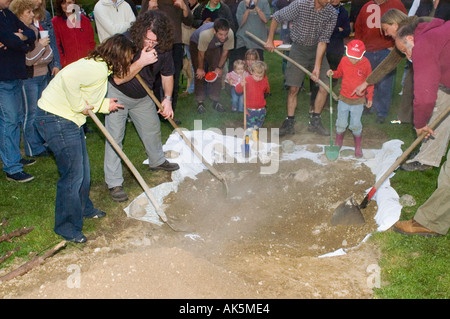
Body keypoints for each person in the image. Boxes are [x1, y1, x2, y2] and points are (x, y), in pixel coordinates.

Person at [35, 34, 136, 243]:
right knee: (72, 176)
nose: (130, 62)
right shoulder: (96, 68)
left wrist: (104, 105)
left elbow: (87, 95)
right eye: (129, 57)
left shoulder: (101, 68)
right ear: (119, 55)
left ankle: (83, 209)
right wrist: (79, 107)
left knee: (83, 173)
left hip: (68, 120)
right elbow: (68, 79)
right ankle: (67, 227)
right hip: (56, 118)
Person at [104, 10, 180, 203]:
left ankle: (157, 161)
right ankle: (114, 182)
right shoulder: (126, 42)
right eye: (148, 39)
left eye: (155, 42)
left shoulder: (163, 47)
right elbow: (119, 79)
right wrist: (141, 61)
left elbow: (167, 74)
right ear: (141, 31)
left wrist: (168, 98)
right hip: (118, 94)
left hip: (143, 94)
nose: (151, 44)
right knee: (114, 137)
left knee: (152, 129)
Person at [392, 18, 450, 237]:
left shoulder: (424, 44)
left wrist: (420, 124)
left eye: (405, 52)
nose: (408, 58)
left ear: (410, 38)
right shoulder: (440, 30)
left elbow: (424, 97)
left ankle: (431, 222)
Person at [264, 0, 338, 137]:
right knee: (293, 88)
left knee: (325, 86)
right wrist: (270, 40)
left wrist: (317, 67)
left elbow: (323, 41)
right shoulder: (300, 5)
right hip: (299, 49)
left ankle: (315, 120)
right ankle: (290, 122)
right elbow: (276, 17)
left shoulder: (331, 13)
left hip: (317, 49)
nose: (329, 1)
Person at [10, 0, 53, 160]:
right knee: (30, 113)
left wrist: (39, 53)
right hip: (29, 79)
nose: (32, 15)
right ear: (20, 13)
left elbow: (49, 55)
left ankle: (41, 143)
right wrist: (40, 47)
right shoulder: (20, 33)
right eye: (28, 12)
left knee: (41, 111)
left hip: (42, 75)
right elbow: (28, 60)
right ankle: (31, 148)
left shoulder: (34, 29)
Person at [354, 0, 407, 124]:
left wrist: (395, 45)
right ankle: (369, 106)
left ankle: (382, 112)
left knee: (384, 82)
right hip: (368, 50)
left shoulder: (396, 4)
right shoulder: (366, 7)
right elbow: (359, 28)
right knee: (368, 80)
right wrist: (360, 47)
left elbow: (405, 26)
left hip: (386, 49)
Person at [0, 0, 36, 182]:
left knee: (16, 118)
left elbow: (31, 35)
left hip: (14, 74)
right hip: (3, 77)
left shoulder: (7, 13)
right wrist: (18, 39)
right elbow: (10, 40)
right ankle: (12, 168)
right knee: (9, 120)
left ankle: (13, 156)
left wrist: (19, 38)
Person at [141, 0, 193, 120]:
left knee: (173, 79)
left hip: (175, 43)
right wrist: (149, 7)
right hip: (154, 43)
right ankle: (154, 112)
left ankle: (169, 112)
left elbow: (189, 21)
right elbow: (141, 20)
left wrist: (184, 7)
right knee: (154, 79)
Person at [326, 39, 374, 158]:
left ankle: (358, 146)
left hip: (358, 101)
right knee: (341, 123)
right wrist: (333, 73)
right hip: (344, 99)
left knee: (355, 124)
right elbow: (339, 73)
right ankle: (338, 143)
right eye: (351, 56)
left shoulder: (366, 63)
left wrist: (370, 97)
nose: (353, 60)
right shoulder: (344, 60)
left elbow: (370, 81)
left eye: (356, 58)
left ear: (362, 54)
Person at [309, 0, 350, 113]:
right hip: (319, 48)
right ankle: (313, 103)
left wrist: (334, 30)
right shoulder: (322, 9)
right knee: (316, 76)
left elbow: (346, 31)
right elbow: (319, 29)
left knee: (333, 76)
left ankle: (326, 101)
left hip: (335, 49)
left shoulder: (343, 12)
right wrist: (337, 29)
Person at [190, 18, 234, 114]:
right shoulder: (205, 34)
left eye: (225, 34)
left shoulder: (230, 34)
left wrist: (219, 68)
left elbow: (225, 52)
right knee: (200, 74)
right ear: (215, 31)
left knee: (217, 73)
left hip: (214, 46)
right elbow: (201, 54)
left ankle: (215, 100)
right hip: (196, 43)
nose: (223, 37)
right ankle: (200, 102)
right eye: (221, 34)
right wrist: (200, 68)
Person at [52, 0, 96, 68]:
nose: (67, 6)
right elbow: (56, 46)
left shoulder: (85, 21)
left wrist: (89, 59)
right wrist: (64, 63)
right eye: (63, 3)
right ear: (60, 5)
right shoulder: (55, 22)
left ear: (74, 2)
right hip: (68, 67)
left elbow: (91, 43)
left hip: (86, 64)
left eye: (69, 3)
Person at [235, 60, 270, 139]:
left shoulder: (264, 81)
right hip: (250, 109)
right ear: (252, 72)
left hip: (261, 109)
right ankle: (249, 139)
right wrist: (241, 85)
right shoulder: (247, 80)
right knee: (250, 126)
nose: (258, 78)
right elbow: (237, 90)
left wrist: (263, 108)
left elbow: (265, 90)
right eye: (256, 76)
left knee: (259, 125)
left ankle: (255, 135)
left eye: (260, 76)